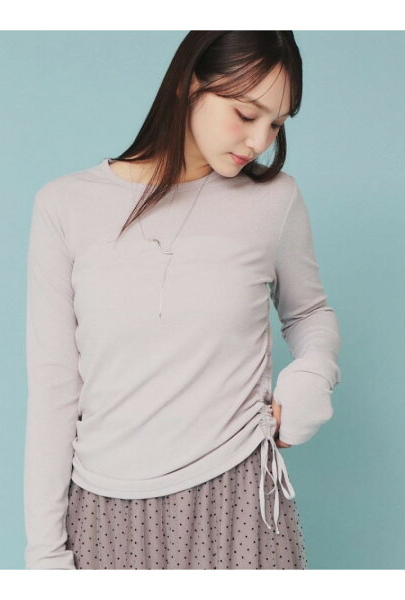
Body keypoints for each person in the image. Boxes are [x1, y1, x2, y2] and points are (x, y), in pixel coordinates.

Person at [24, 31, 341, 570]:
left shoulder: (274, 199)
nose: (259, 140)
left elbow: (309, 312)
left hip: (238, 498)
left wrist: (314, 374)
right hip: (104, 510)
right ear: (189, 83)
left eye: (277, 124)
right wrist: (46, 555)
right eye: (246, 113)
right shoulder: (65, 206)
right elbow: (55, 388)